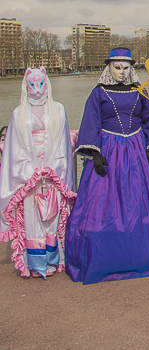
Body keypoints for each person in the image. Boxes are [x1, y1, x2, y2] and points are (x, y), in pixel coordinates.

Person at [65, 49, 149, 284]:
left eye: (125, 67)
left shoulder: (139, 91)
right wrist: (95, 153)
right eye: (117, 67)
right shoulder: (98, 93)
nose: (122, 72)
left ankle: (141, 253)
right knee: (105, 204)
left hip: (137, 149)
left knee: (144, 201)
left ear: (131, 68)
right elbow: (91, 121)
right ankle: (108, 257)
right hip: (109, 150)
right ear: (109, 68)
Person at [0, 67, 76, 278]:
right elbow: (14, 148)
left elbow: (62, 144)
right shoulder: (18, 113)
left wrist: (53, 169)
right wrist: (30, 172)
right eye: (32, 84)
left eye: (40, 83)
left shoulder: (58, 109)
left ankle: (53, 260)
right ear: (25, 86)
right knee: (32, 219)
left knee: (51, 217)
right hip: (29, 173)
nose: (36, 88)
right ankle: (35, 263)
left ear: (47, 84)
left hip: (52, 172)